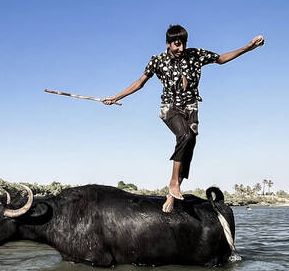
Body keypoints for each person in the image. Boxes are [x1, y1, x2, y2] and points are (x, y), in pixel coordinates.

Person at [103, 24, 264, 212]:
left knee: (189, 147)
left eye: (183, 44)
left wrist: (248, 47)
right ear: (168, 44)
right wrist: (115, 97)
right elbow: (140, 82)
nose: (180, 49)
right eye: (176, 45)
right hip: (170, 108)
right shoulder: (157, 61)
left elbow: (220, 59)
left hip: (191, 108)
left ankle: (172, 195)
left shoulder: (195, 55)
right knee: (185, 136)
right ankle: (173, 183)